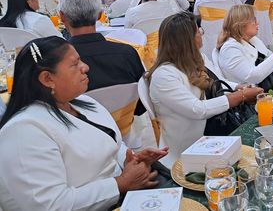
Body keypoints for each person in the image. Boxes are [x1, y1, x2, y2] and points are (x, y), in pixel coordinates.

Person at [0, 36, 168, 210]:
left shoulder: (83, 103)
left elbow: (112, 144)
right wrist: (120, 184)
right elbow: (50, 205)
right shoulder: (25, 131)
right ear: (47, 78)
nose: (85, 67)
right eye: (75, 64)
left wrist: (130, 160)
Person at [148, 12, 263, 168]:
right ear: (187, 40)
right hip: (188, 152)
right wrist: (240, 96)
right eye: (198, 31)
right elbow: (198, 109)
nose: (201, 34)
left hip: (214, 135)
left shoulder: (197, 58)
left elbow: (215, 83)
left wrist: (237, 87)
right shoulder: (164, 75)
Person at [58, 0, 145, 98]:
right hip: (126, 110)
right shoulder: (127, 53)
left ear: (62, 16)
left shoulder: (59, 63)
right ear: (100, 14)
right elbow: (142, 98)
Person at [214, 5, 273, 88]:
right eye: (253, 20)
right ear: (241, 24)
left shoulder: (252, 40)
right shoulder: (229, 50)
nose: (257, 23)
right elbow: (253, 76)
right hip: (252, 92)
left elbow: (269, 55)